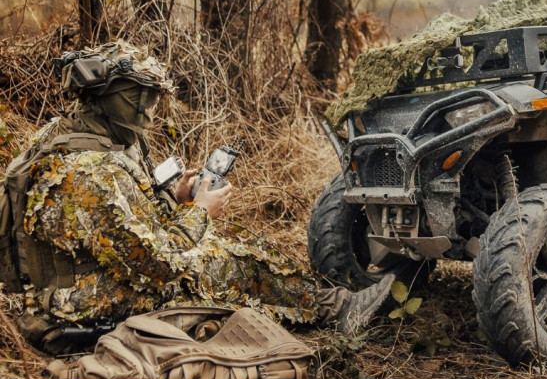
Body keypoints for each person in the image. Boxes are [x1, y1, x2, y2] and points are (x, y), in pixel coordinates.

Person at [8, 40, 391, 354]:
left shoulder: (67, 134)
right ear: (107, 96)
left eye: (153, 98)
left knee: (223, 252)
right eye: (140, 97)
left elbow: (114, 226)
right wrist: (200, 212)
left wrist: (174, 198)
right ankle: (340, 310)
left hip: (77, 286)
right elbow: (161, 264)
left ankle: (332, 301)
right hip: (82, 309)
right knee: (228, 263)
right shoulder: (93, 171)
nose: (149, 111)